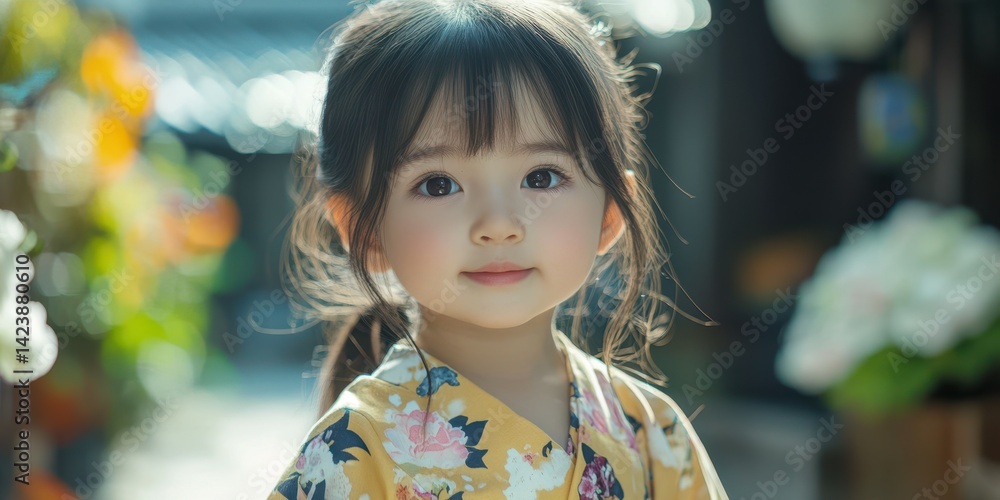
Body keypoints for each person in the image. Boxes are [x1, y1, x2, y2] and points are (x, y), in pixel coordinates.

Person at [270, 0, 729, 498]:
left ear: (611, 213)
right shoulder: (352, 451)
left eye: (542, 177)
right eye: (438, 184)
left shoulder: (652, 432)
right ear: (364, 229)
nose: (499, 226)